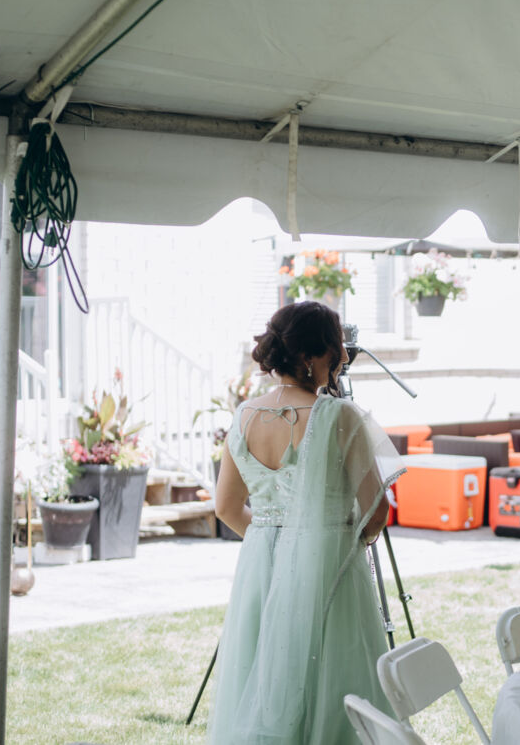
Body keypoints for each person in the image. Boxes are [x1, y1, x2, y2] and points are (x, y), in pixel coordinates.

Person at [208, 301, 398, 744]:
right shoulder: (339, 415)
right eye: (337, 346)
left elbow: (226, 507)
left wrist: (276, 540)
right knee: (332, 668)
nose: (344, 357)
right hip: (329, 562)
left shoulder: (244, 416)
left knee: (264, 669)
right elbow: (376, 509)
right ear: (314, 355)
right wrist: (338, 542)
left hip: (261, 564)